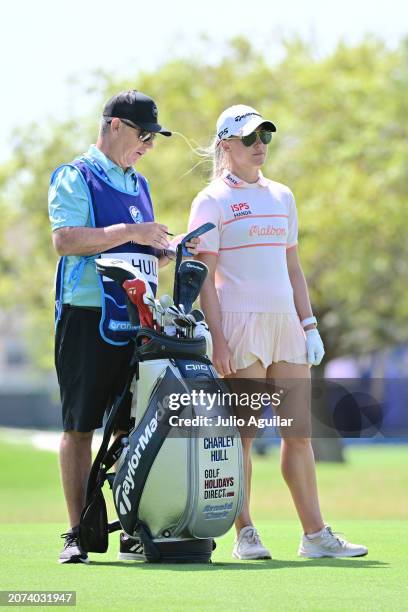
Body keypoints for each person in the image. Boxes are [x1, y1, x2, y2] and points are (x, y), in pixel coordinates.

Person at [188, 104, 368, 560]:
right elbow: (203, 278)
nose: (260, 146)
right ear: (226, 145)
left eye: (264, 137)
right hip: (239, 325)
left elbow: (293, 266)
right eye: (249, 139)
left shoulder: (282, 196)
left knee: (298, 434)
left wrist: (308, 323)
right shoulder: (210, 201)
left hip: (285, 325)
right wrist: (219, 338)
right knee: (244, 436)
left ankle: (314, 535)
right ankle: (244, 532)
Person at [49, 90, 198, 564]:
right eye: (143, 135)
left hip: (136, 320)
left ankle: (129, 525)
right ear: (114, 126)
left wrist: (165, 247)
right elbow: (66, 240)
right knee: (80, 426)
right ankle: (76, 531)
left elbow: (140, 247)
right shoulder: (76, 176)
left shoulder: (139, 183)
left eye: (153, 138)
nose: (149, 145)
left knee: (129, 428)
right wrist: (133, 233)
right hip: (88, 316)